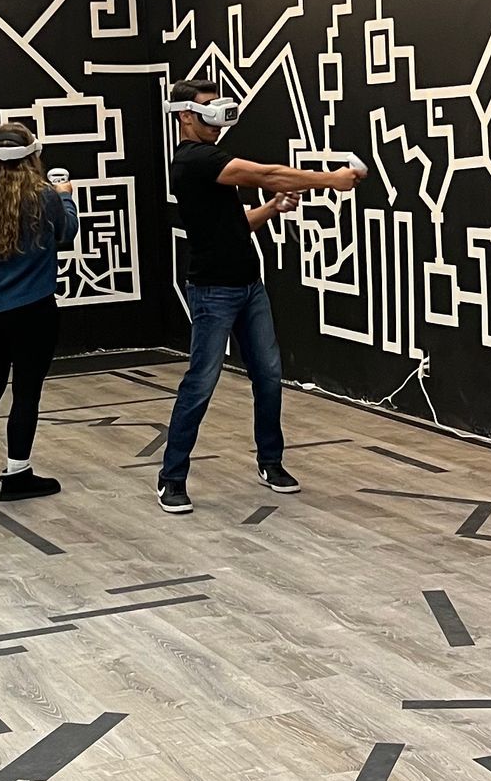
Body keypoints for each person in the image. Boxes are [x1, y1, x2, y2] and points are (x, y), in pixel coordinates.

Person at [156, 77, 365, 515]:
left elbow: (236, 225)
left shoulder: (209, 159)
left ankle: (270, 462)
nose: (218, 120)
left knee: (269, 376)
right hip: (212, 292)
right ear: (185, 116)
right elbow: (268, 174)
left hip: (249, 286)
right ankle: (171, 478)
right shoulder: (194, 159)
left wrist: (271, 209)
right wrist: (332, 179)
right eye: (208, 109)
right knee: (200, 383)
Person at [0, 122, 78, 501]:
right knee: (26, 392)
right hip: (33, 309)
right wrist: (67, 196)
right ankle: (17, 472)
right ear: (32, 155)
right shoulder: (44, 196)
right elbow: (66, 234)